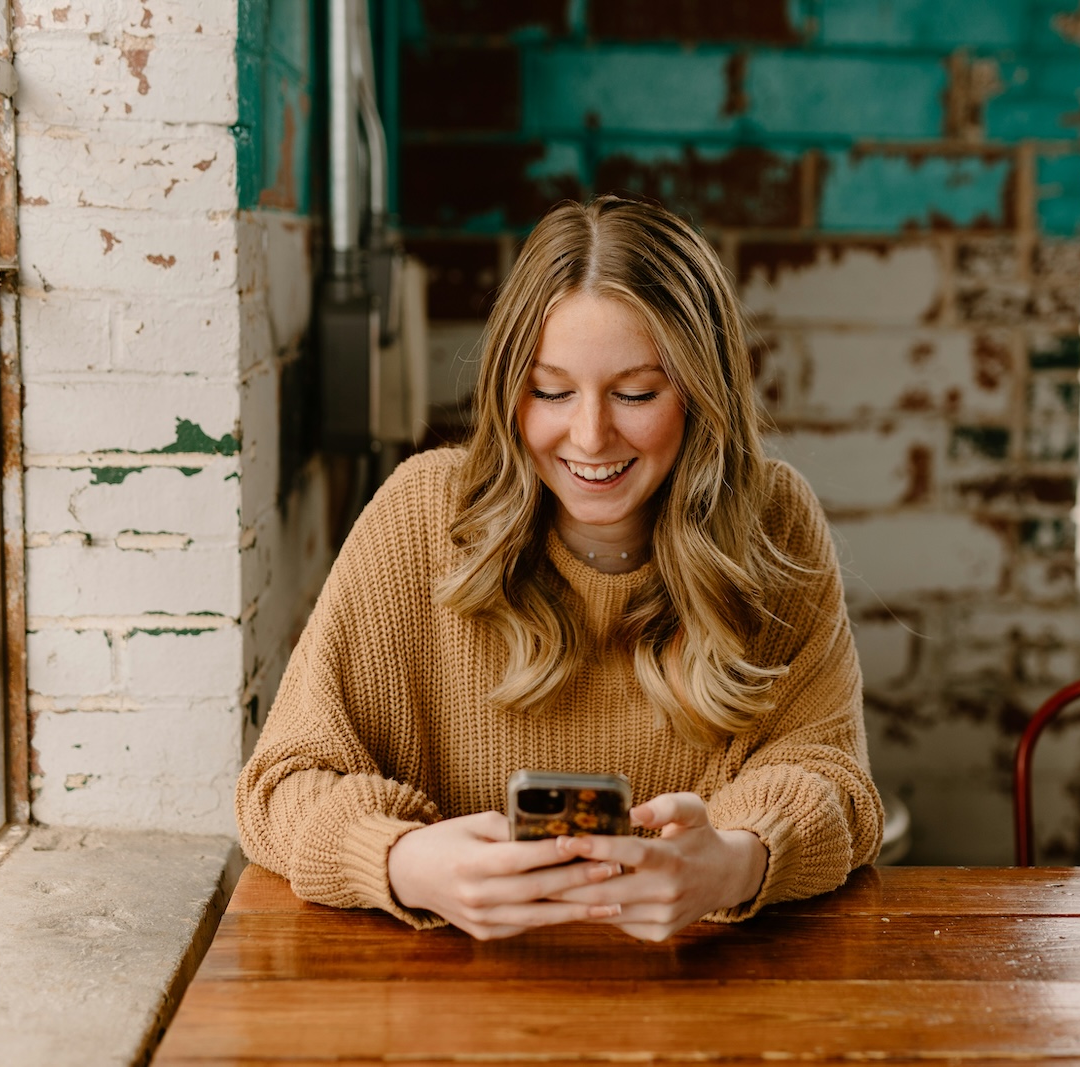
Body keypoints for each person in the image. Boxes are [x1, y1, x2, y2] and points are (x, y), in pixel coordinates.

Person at [235, 195, 882, 941]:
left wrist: (734, 864)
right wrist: (405, 861)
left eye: (637, 393)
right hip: (446, 1006)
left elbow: (837, 783)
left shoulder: (775, 521)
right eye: (551, 390)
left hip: (699, 1000)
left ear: (705, 397)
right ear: (511, 388)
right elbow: (281, 784)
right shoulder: (418, 516)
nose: (590, 435)